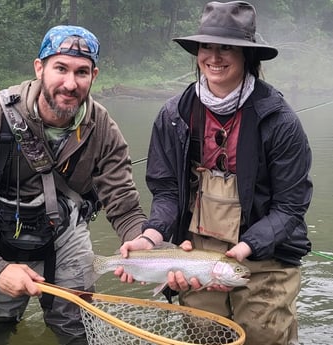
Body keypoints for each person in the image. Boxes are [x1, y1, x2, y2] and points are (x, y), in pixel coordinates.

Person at [0, 25, 147, 345]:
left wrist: (140, 242)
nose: (70, 83)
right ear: (39, 68)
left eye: (82, 72)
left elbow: (123, 202)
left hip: (65, 233)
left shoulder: (102, 127)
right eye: (60, 68)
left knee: (79, 326)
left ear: (94, 75)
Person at [116, 2, 312, 345]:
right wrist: (151, 236)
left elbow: (290, 208)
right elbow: (167, 193)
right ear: (197, 52)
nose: (215, 56)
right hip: (195, 250)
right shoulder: (174, 114)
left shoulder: (280, 121)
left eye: (227, 47)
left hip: (267, 252)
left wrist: (246, 247)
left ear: (247, 55)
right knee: (204, 334)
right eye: (207, 46)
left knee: (263, 335)